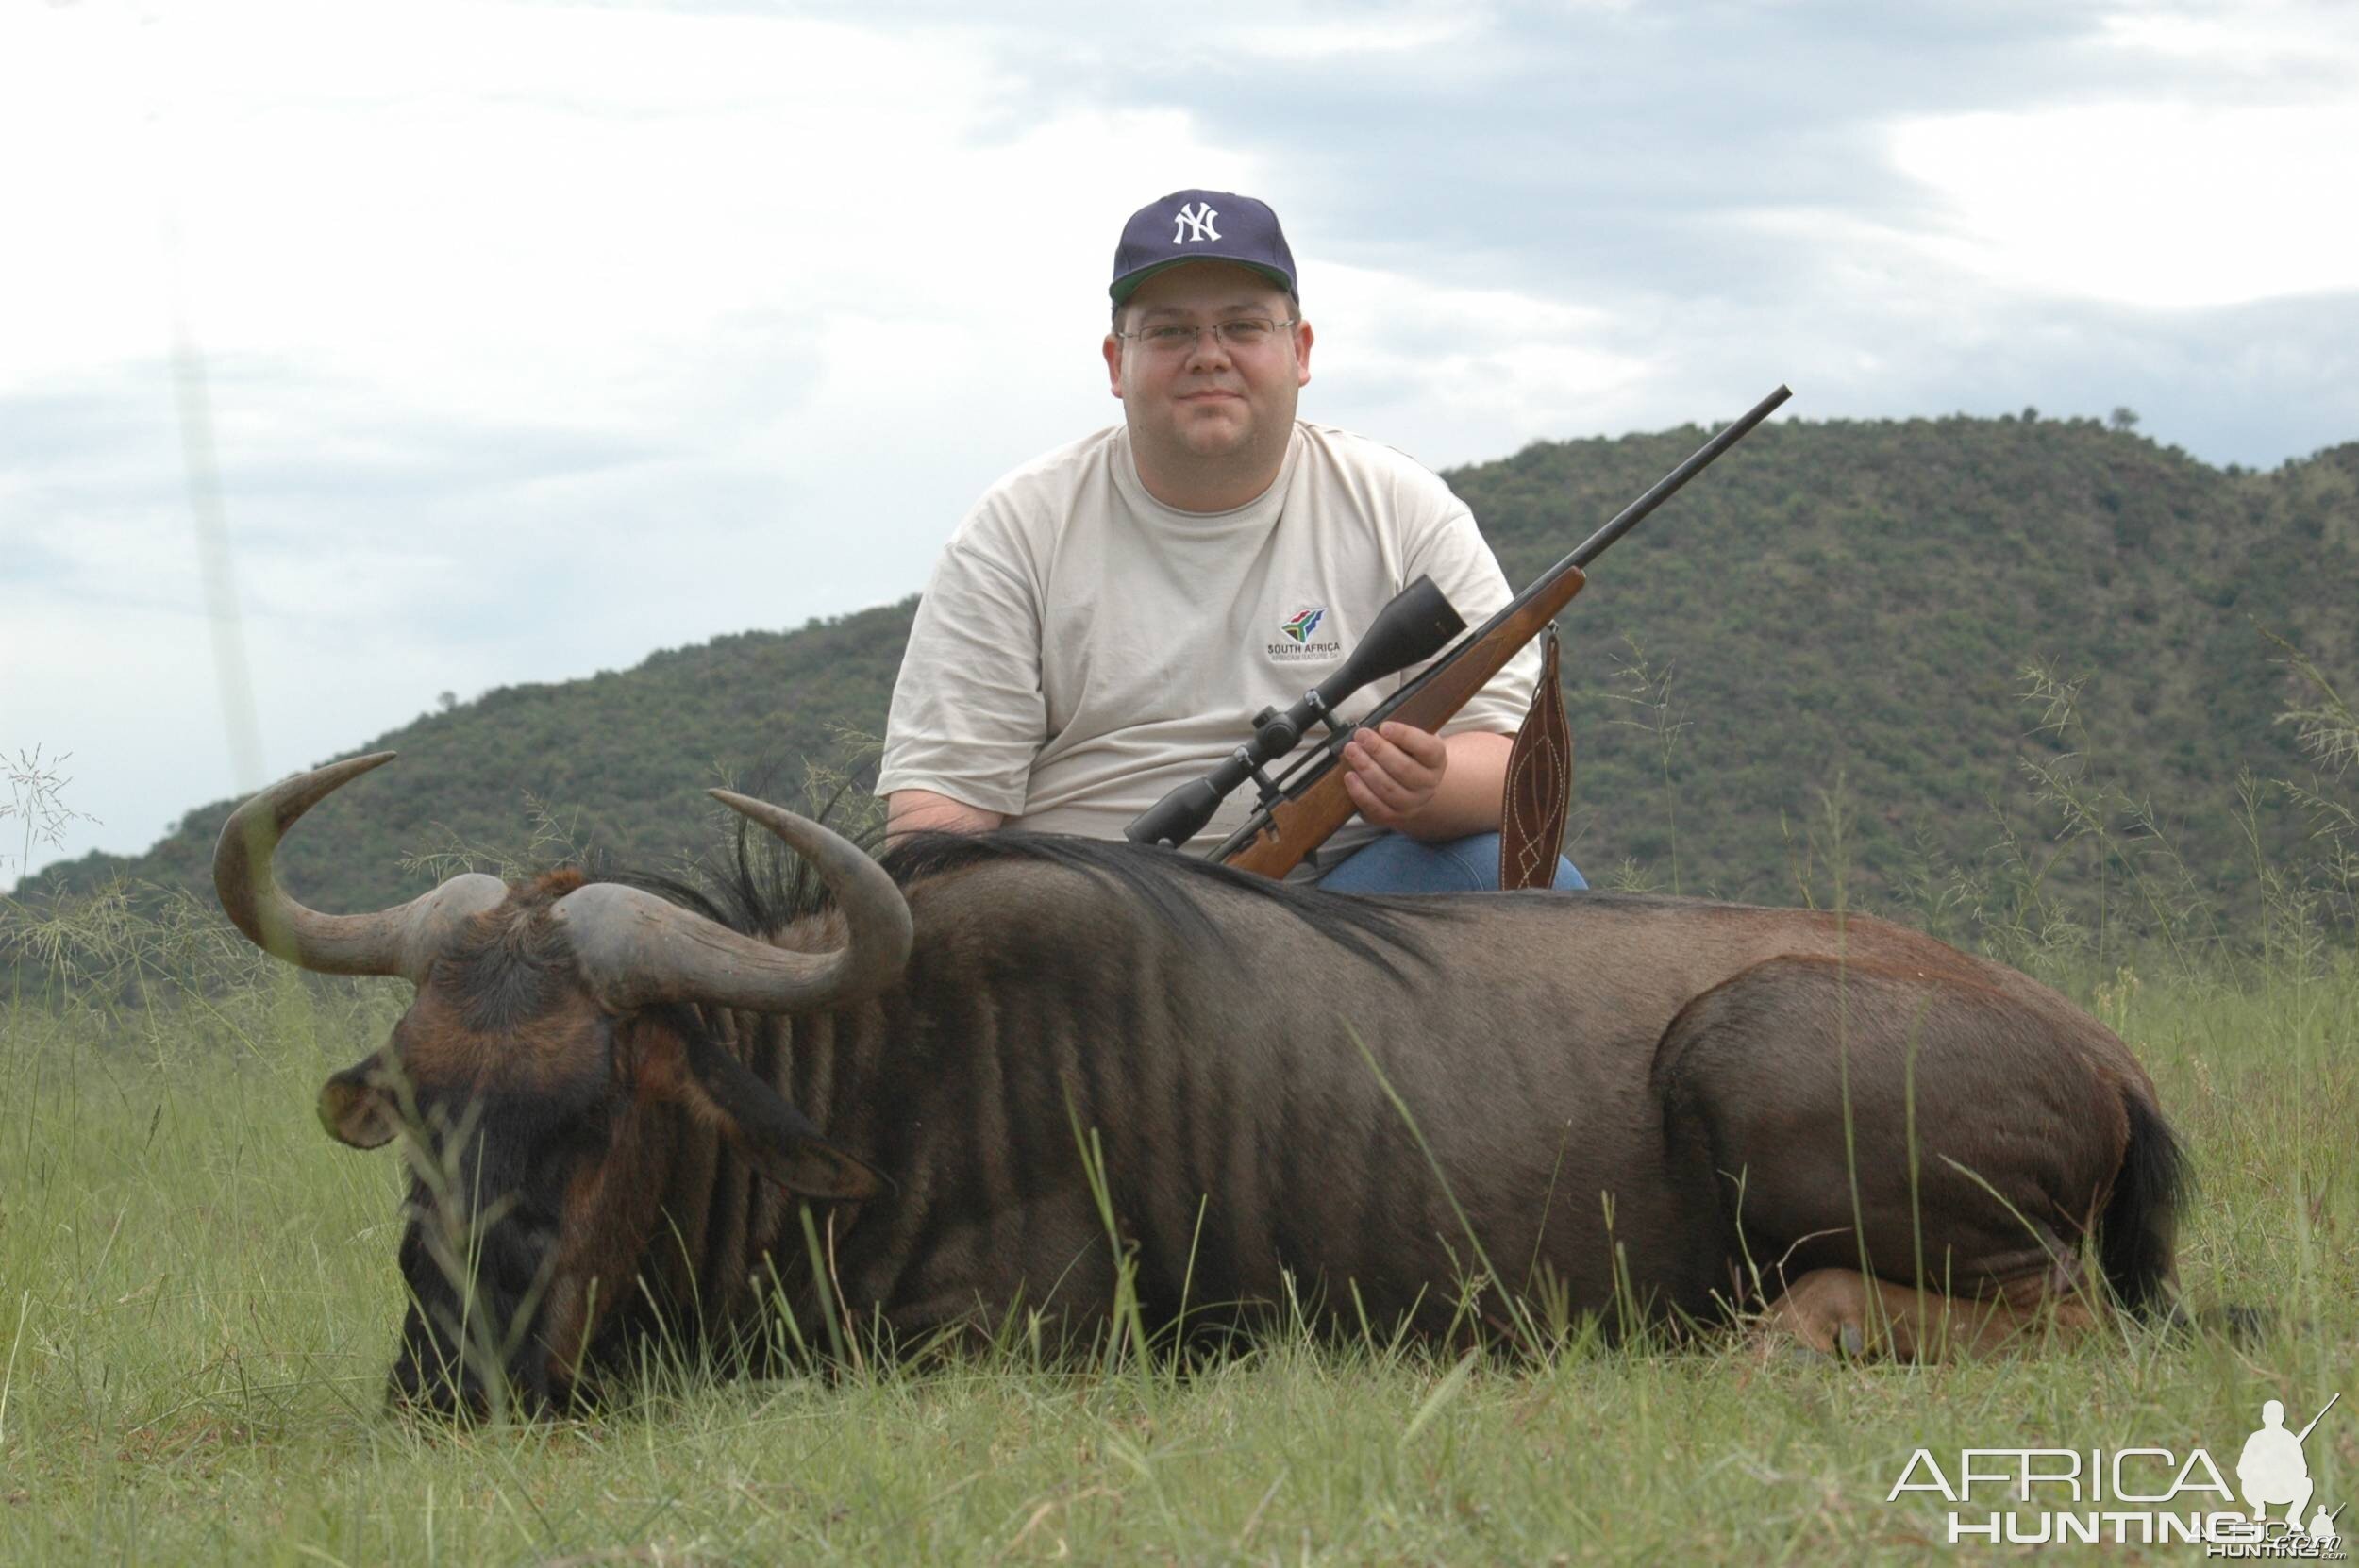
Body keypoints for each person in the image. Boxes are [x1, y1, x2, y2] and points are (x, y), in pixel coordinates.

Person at [876, 188, 1583, 893]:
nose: (1209, 357)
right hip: (1095, 926)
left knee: (1527, 885)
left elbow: (1519, 761)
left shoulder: (1403, 507)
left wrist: (1433, 789)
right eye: (1170, 332)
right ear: (1114, 363)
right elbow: (937, 816)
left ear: (1300, 350)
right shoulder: (1014, 530)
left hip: (1348, 911)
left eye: (1243, 328)